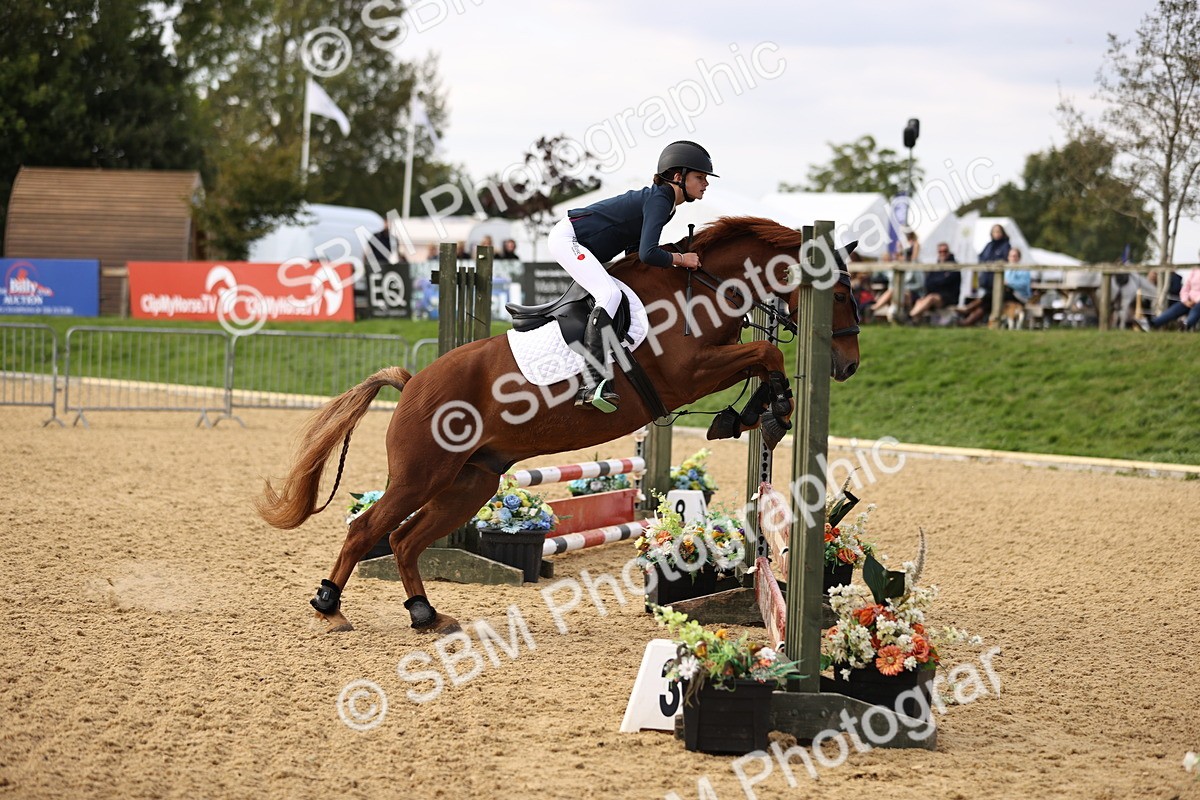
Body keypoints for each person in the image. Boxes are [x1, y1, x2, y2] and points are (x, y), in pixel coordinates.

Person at [549, 140, 716, 410]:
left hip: (580, 243)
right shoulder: (660, 200)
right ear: (678, 177)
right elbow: (648, 254)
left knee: (621, 292)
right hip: (569, 239)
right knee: (610, 294)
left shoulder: (666, 203)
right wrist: (681, 259)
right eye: (700, 177)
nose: (705, 183)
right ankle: (592, 384)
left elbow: (635, 251)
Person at [960, 245, 1030, 326]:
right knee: (989, 301)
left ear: (1019, 258)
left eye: (1015, 256)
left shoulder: (1023, 270)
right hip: (1006, 293)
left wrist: (1009, 283)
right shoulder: (1006, 269)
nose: (1013, 258)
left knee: (990, 296)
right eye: (1011, 256)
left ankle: (968, 311)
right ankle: (969, 320)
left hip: (1018, 296)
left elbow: (1023, 285)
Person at [909, 242, 960, 323]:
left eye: (945, 251)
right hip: (935, 295)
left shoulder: (954, 266)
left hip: (948, 298)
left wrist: (936, 282)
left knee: (931, 298)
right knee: (921, 300)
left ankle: (910, 317)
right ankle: (914, 319)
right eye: (940, 252)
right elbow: (928, 282)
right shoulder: (936, 266)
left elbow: (945, 282)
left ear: (948, 252)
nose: (942, 254)